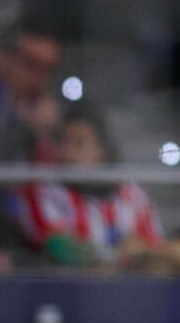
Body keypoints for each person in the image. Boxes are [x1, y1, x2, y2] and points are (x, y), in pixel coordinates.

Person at [14, 105, 163, 267]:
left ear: (100, 150)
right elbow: (55, 245)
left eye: (78, 144)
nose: (67, 152)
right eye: (63, 142)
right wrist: (113, 257)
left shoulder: (133, 196)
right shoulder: (45, 193)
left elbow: (155, 247)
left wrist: (141, 251)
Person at [0, 27, 62, 163]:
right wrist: (24, 126)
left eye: (48, 69)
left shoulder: (53, 109)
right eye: (31, 64)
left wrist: (52, 135)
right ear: (3, 59)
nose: (40, 77)